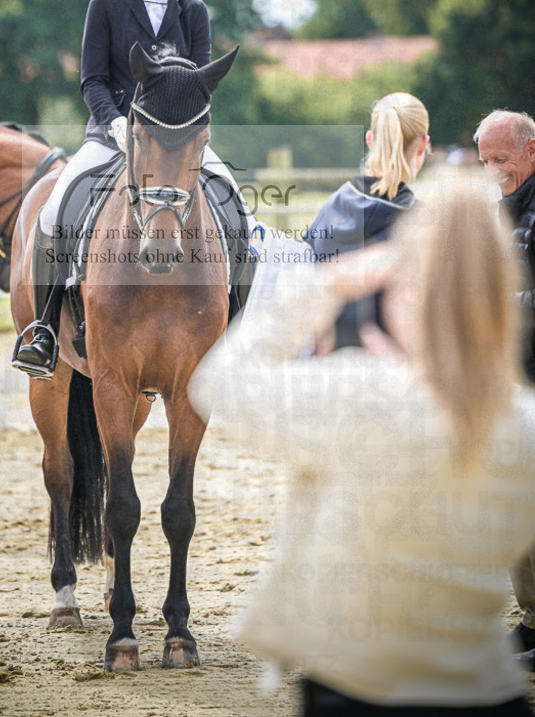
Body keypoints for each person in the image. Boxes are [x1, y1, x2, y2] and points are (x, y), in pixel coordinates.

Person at [189, 173, 535, 716]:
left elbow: (217, 385)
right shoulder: (524, 422)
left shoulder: (362, 394)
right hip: (493, 690)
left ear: (406, 291)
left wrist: (325, 285)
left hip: (362, 689)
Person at [13, 0, 248, 377]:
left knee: (237, 207)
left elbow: (199, 84)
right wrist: (116, 123)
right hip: (111, 133)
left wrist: (187, 131)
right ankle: (44, 330)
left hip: (174, 141)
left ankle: (237, 334)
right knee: (55, 211)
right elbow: (92, 79)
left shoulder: (195, 11)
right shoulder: (106, 2)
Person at [475, 109, 535, 662]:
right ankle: (533, 618)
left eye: (502, 158)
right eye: (485, 161)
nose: (493, 170)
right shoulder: (503, 208)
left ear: (531, 150)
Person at [306, 91, 429, 346]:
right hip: (393, 360)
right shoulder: (427, 224)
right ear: (423, 145)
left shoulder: (331, 207)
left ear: (370, 140)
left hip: (328, 359)